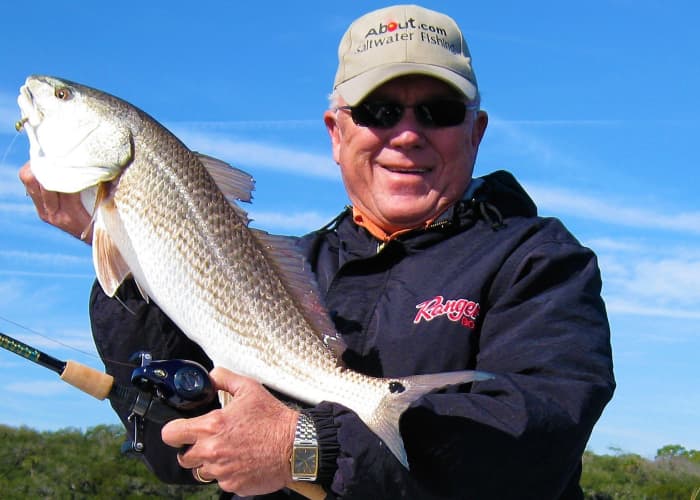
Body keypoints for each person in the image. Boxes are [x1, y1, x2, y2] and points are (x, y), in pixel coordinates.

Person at [19, 4, 615, 499]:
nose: (407, 134)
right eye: (379, 111)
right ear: (337, 132)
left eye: (438, 111)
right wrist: (123, 272)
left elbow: (535, 438)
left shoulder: (539, 261)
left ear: (476, 131)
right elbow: (172, 448)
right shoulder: (295, 265)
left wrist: (306, 446)